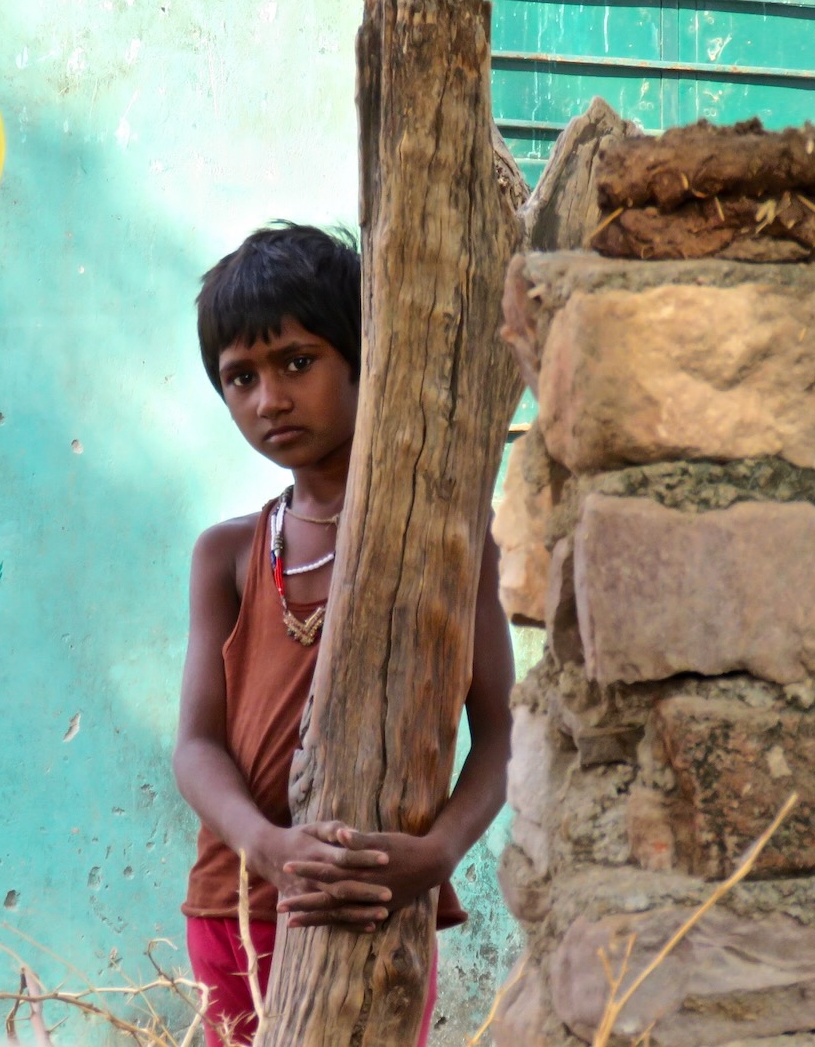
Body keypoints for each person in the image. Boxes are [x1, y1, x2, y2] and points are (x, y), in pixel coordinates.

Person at [173, 223, 515, 1047]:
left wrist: (436, 857)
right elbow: (194, 745)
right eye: (240, 377)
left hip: (377, 905)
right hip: (237, 907)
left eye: (298, 361)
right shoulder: (229, 554)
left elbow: (507, 733)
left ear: (366, 358)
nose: (269, 399)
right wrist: (266, 845)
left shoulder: (449, 542)